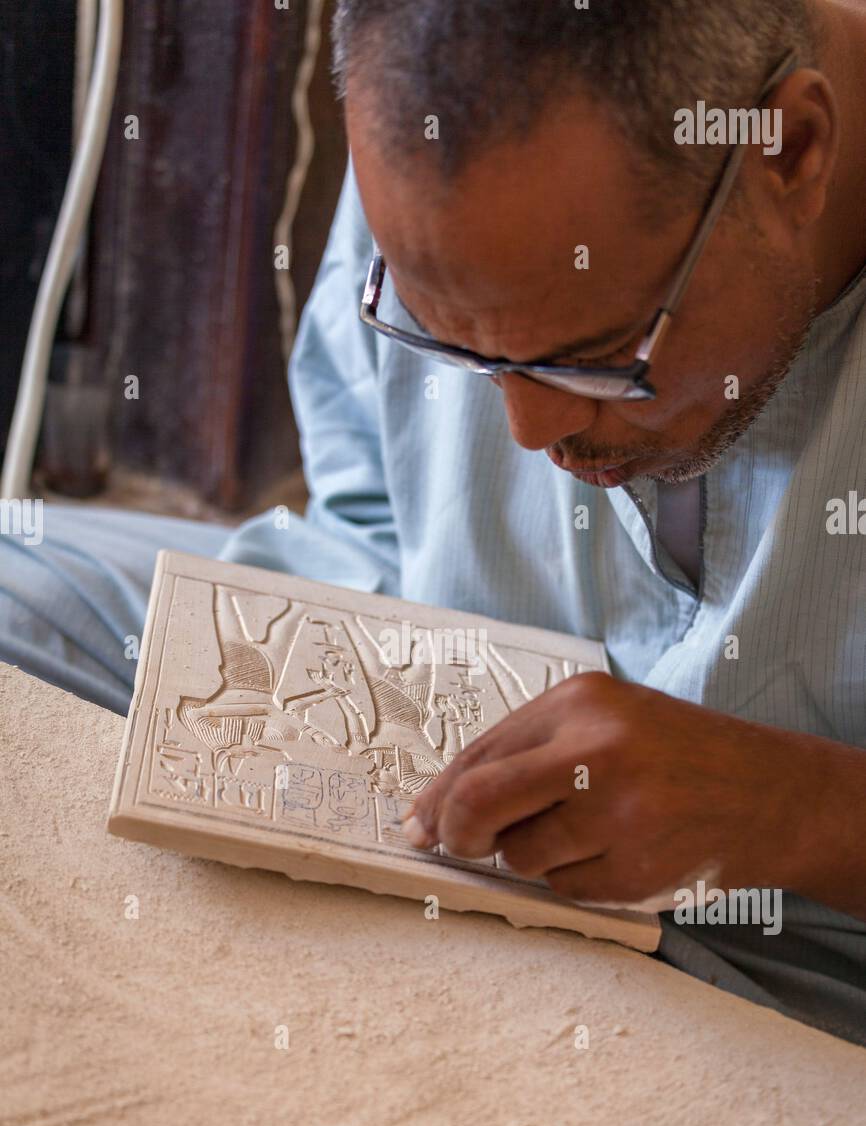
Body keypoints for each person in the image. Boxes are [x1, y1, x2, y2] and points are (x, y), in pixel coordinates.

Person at [2, 0, 865, 1044]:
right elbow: (364, 508)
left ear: (789, 151)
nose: (529, 427)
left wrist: (792, 806)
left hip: (793, 949)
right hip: (460, 784)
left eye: (593, 355)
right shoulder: (444, 134)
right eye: (449, 338)